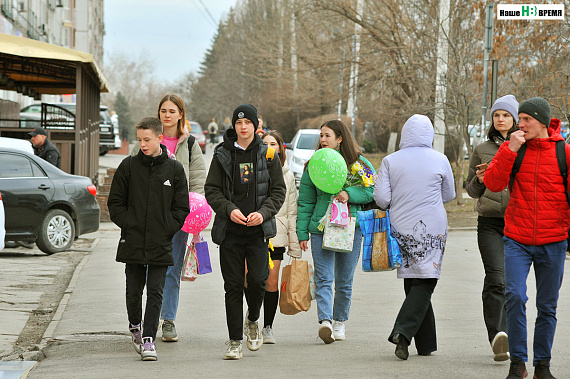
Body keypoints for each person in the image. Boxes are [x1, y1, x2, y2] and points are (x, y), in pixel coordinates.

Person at [484, 97, 569, 379]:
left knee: (547, 306)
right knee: (515, 296)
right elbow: (493, 183)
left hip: (553, 240)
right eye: (518, 119)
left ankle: (542, 366)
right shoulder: (513, 148)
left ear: (542, 122)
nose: (519, 125)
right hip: (517, 239)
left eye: (525, 120)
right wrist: (509, 150)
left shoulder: (564, 153)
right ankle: (517, 363)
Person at [205, 104, 286, 360]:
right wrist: (229, 210)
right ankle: (234, 341)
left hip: (258, 231)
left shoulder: (269, 155)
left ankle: (253, 318)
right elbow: (212, 190)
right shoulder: (221, 154)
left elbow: (278, 191)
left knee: (259, 280)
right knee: (232, 285)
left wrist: (263, 213)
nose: (243, 127)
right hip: (230, 231)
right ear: (234, 126)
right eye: (238, 123)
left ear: (255, 126)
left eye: (247, 123)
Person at [107, 117, 190, 361]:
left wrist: (168, 228)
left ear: (159, 138)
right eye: (139, 140)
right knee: (134, 292)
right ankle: (135, 326)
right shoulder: (128, 167)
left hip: (160, 242)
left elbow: (181, 207)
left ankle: (148, 340)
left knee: (156, 291)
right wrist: (130, 224)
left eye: (147, 139)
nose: (142, 144)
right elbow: (115, 203)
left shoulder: (174, 170)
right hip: (132, 240)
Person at [374, 114, 455, 360]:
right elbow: (449, 194)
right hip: (433, 226)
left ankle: (425, 343)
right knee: (426, 280)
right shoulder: (440, 159)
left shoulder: (390, 161)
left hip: (402, 227)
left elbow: (382, 199)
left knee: (413, 280)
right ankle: (402, 332)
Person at [131, 94, 207, 343]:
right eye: (163, 110)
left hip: (178, 217)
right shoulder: (148, 139)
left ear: (180, 114)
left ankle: (168, 320)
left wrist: (194, 209)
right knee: (143, 269)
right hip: (148, 217)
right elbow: (132, 173)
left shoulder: (190, 143)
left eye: (172, 111)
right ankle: (141, 321)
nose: (167, 115)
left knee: (171, 270)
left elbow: (197, 178)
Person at [297, 119, 375, 344]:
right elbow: (305, 201)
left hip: (351, 228)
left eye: (327, 135)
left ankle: (340, 322)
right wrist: (302, 232)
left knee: (344, 280)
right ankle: (326, 322)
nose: (322, 140)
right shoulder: (314, 164)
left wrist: (350, 194)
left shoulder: (358, 163)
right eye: (321, 136)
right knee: (323, 277)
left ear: (340, 138)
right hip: (321, 228)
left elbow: (371, 190)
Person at [466, 95, 519, 362]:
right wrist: (478, 179)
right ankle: (498, 334)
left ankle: (505, 336)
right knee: (496, 278)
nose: (501, 119)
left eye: (506, 115)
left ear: (515, 119)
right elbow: (471, 190)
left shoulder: (525, 147)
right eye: (497, 115)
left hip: (517, 222)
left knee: (511, 283)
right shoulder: (481, 148)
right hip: (489, 223)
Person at [259, 130, 302, 344]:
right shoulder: (252, 171)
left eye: (273, 143)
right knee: (251, 280)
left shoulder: (287, 175)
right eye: (265, 143)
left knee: (271, 281)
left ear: (280, 148)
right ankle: (251, 318)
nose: (269, 147)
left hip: (277, 234)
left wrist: (294, 242)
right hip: (253, 233)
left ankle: (267, 326)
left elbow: (292, 211)